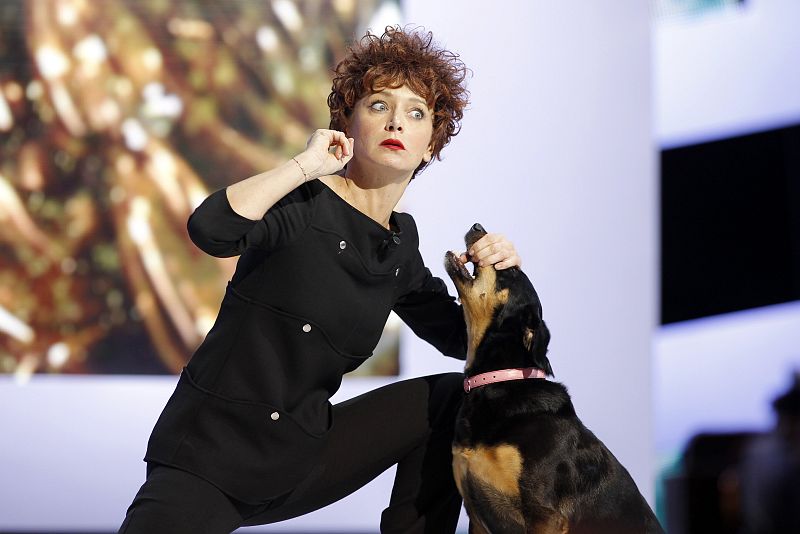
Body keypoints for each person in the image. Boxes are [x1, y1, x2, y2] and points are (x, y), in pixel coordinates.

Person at [118, 26, 522, 534]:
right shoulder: (303, 204)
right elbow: (211, 230)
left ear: (430, 146)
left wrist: (501, 280)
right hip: (209, 456)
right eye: (378, 105)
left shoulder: (400, 247)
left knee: (453, 398)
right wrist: (304, 166)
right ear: (346, 126)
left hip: (299, 454)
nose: (397, 119)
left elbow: (470, 342)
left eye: (416, 112)